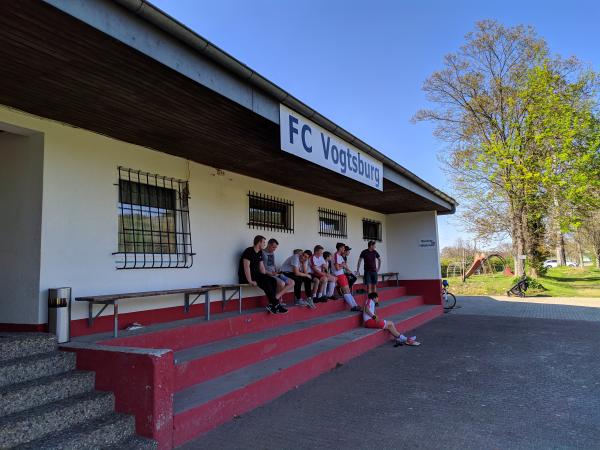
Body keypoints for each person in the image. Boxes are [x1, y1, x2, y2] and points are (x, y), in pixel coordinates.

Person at [238, 235, 287, 314]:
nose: (265, 244)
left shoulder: (260, 252)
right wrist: (250, 281)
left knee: (272, 280)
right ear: (259, 242)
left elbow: (262, 268)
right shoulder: (248, 251)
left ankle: (272, 304)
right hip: (247, 276)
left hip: (256, 275)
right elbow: (246, 267)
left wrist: (271, 274)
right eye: (263, 242)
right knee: (266, 282)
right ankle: (275, 304)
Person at [262, 238, 295, 304]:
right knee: (282, 283)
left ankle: (275, 298)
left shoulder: (272, 253)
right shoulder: (262, 252)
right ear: (268, 245)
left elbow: (273, 264)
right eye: (273, 247)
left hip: (275, 274)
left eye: (275, 248)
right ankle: (278, 301)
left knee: (292, 282)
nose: (274, 249)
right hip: (268, 274)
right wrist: (271, 273)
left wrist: (277, 271)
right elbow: (261, 268)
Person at [332, 243, 362, 312]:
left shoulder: (340, 256)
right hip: (338, 275)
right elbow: (337, 268)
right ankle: (353, 306)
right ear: (340, 248)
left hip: (342, 274)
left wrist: (350, 271)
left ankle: (355, 305)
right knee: (346, 291)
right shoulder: (336, 255)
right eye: (343, 248)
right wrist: (343, 266)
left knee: (348, 291)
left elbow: (344, 265)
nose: (344, 249)